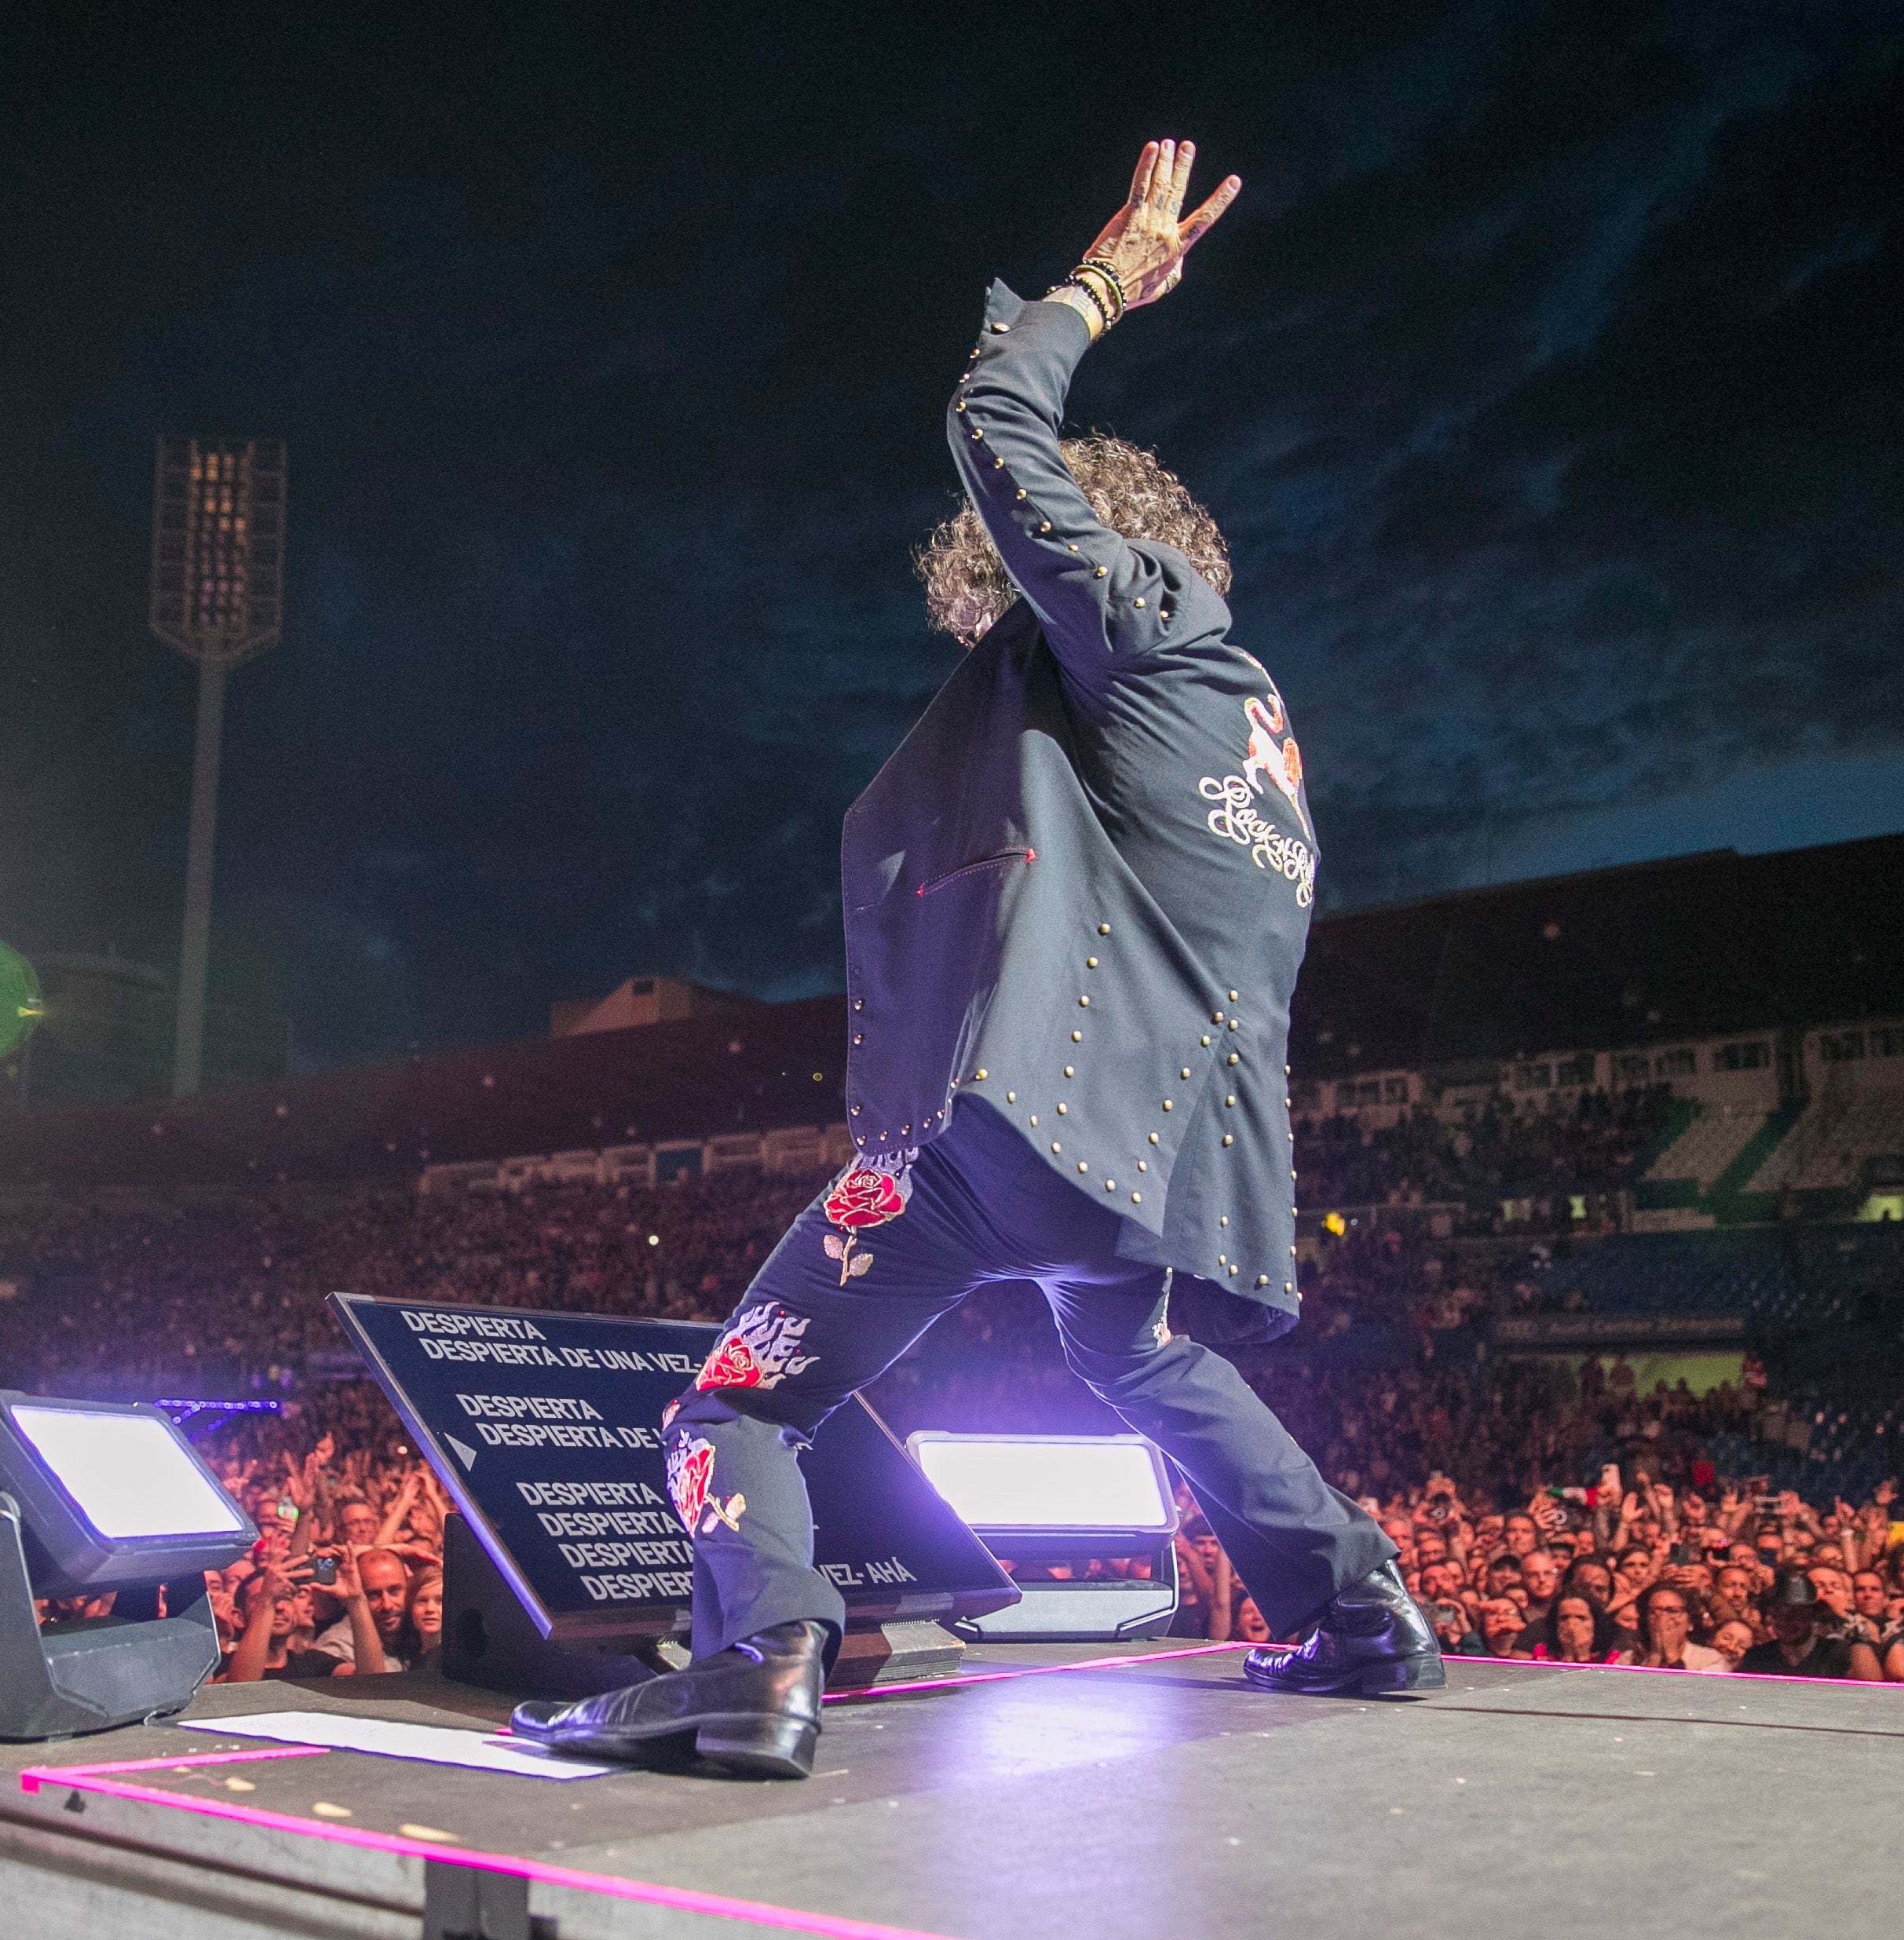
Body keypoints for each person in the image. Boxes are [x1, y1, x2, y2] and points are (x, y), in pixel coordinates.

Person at [513, 140, 1434, 1782]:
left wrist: (1097, 284)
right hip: (1154, 1164)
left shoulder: (1137, 625)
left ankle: (754, 1660)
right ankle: (1355, 1601)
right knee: (1126, 1343)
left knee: (731, 1402)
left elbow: (991, 425)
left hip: (1005, 1136)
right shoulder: (1258, 746)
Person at [1734, 1573, 1879, 1679]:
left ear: (1812, 1615)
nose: (1786, 1621)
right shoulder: (1758, 1656)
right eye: (1778, 1612)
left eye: (1796, 1613)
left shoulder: (1837, 1652)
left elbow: (1870, 1693)